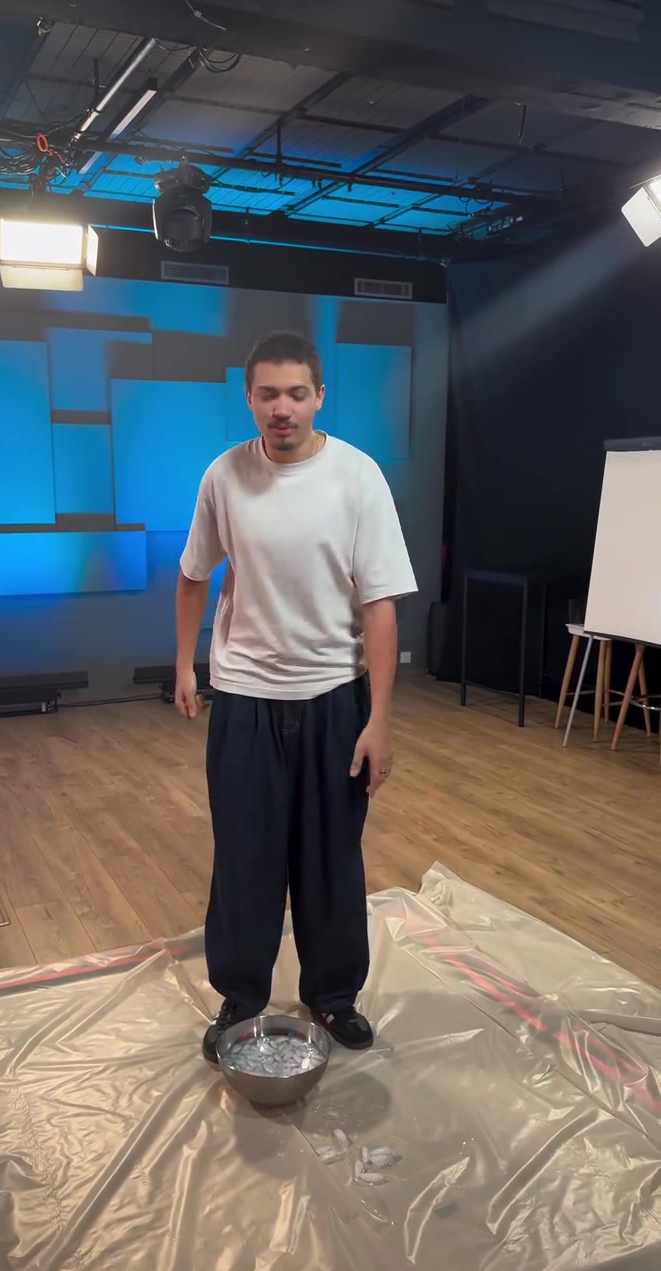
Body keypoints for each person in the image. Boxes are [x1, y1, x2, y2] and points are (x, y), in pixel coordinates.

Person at [175, 331, 417, 1063]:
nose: (282, 408)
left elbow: (380, 605)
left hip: (334, 698)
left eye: (296, 393)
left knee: (331, 858)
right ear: (249, 398)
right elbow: (193, 574)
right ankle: (241, 997)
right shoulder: (224, 476)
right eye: (268, 394)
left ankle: (333, 995)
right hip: (245, 696)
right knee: (244, 857)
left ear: (319, 397)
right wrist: (184, 665)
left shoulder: (358, 476)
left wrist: (379, 719)